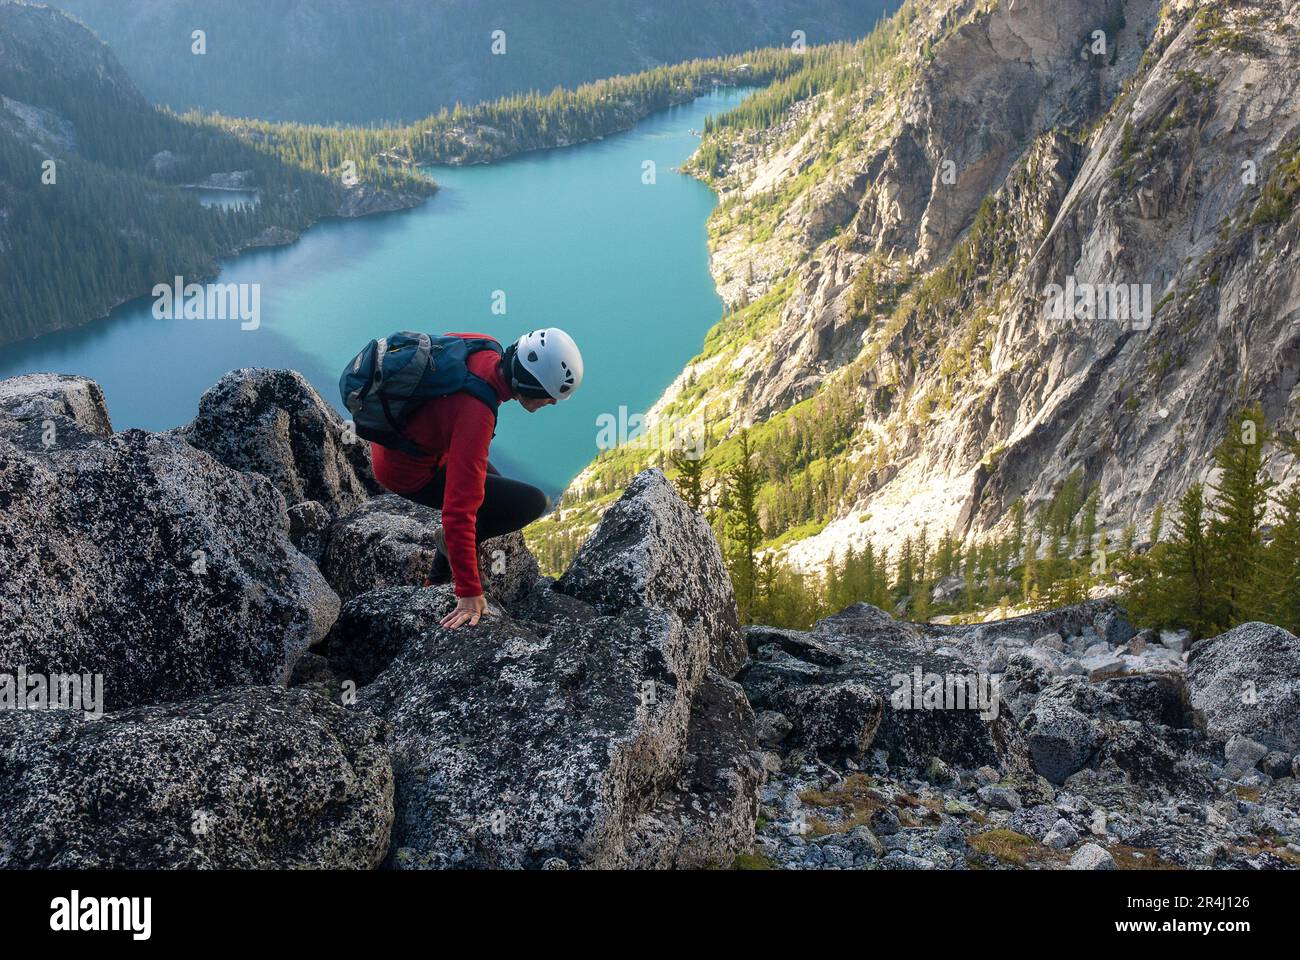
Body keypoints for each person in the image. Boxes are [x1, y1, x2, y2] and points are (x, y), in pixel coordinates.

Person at [369, 328, 583, 629]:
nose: (553, 403)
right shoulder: (476, 412)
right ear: (532, 385)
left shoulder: (482, 345)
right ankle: (443, 569)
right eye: (550, 395)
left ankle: (441, 564)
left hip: (397, 444)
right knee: (530, 502)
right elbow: (458, 510)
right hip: (407, 471)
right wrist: (469, 592)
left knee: (500, 491)